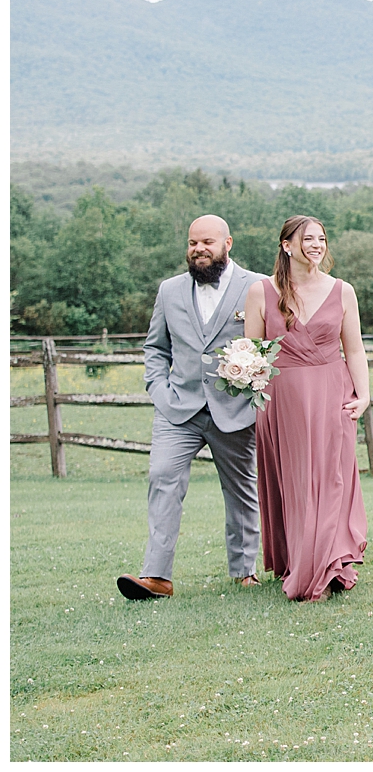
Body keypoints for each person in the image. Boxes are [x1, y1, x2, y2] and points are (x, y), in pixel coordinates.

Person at [118, 216, 265, 600]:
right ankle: (156, 577)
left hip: (234, 410)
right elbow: (155, 348)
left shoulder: (259, 286)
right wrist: (159, 390)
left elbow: (270, 344)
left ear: (227, 243)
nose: (198, 249)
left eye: (207, 242)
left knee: (241, 490)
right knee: (162, 476)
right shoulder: (169, 290)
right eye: (192, 242)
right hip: (177, 409)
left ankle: (244, 570)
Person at [244, 215, 371, 601]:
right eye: (307, 239)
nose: (316, 245)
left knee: (331, 478)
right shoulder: (260, 292)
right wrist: (247, 377)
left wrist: (363, 396)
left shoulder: (342, 290)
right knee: (298, 482)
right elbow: (251, 354)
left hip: (334, 393)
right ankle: (304, 561)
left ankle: (330, 563)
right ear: (286, 245)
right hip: (283, 400)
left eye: (321, 238)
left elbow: (355, 348)